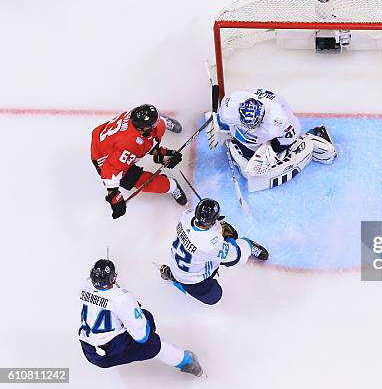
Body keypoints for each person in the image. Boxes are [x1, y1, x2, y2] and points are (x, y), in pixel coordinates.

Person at [79, 259, 204, 377]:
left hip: (90, 351)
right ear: (112, 278)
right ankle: (187, 363)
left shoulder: (85, 286)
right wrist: (135, 310)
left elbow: (103, 299)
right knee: (152, 341)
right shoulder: (122, 299)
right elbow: (142, 336)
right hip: (112, 350)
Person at [206, 88, 337, 192]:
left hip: (282, 133)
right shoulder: (232, 104)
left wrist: (270, 150)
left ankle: (314, 135)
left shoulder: (279, 119)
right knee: (246, 151)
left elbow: (292, 133)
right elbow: (224, 119)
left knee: (277, 152)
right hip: (256, 125)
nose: (247, 128)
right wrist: (220, 127)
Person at [159, 198, 269, 305]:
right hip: (193, 279)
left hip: (176, 265)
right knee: (215, 296)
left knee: (208, 255)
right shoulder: (210, 244)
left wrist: (217, 226)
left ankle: (174, 275)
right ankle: (249, 244)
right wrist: (229, 238)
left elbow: (201, 230)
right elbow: (234, 256)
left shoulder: (186, 216)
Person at [90, 104, 188, 219]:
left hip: (111, 142)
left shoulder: (135, 117)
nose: (156, 125)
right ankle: (173, 186)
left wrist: (160, 153)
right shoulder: (130, 145)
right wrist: (115, 198)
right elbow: (109, 172)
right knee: (144, 183)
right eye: (154, 123)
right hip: (105, 159)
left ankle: (163, 120)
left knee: (157, 130)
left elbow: (146, 140)